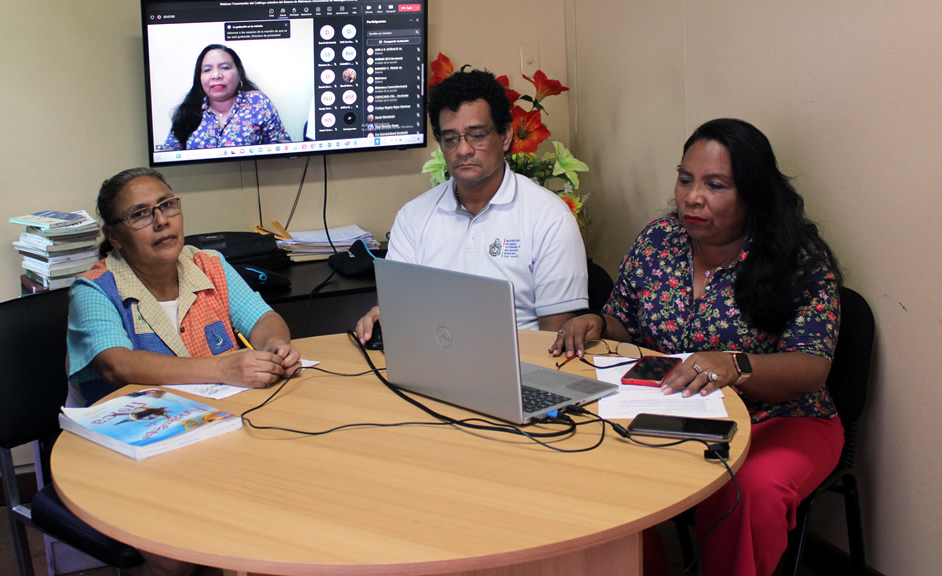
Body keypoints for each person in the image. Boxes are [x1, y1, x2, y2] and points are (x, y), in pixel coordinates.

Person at [551, 118, 843, 575]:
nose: (692, 196)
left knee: (746, 490)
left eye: (716, 185)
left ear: (752, 193)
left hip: (779, 419)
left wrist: (736, 364)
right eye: (685, 179)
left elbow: (812, 367)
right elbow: (624, 320)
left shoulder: (797, 258)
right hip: (670, 409)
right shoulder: (659, 240)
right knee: (599, 462)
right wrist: (594, 322)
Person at [355, 68, 589, 342]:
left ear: (505, 136)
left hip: (522, 371)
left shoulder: (549, 217)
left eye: (476, 135)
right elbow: (400, 316)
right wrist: (383, 317)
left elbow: (556, 340)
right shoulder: (413, 217)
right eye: (451, 138)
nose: (463, 150)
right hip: (434, 363)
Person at [67, 167, 301, 408]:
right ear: (113, 236)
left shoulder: (209, 264)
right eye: (139, 214)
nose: (161, 221)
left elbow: (263, 319)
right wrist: (223, 368)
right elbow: (117, 365)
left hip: (210, 415)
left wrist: (275, 345)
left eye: (167, 205)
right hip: (130, 425)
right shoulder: (93, 288)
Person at [163, 44, 290, 150]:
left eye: (224, 68)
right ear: (199, 77)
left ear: (238, 72)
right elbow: (168, 154)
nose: (216, 75)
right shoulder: (188, 110)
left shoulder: (257, 102)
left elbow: (283, 146)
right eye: (207, 70)